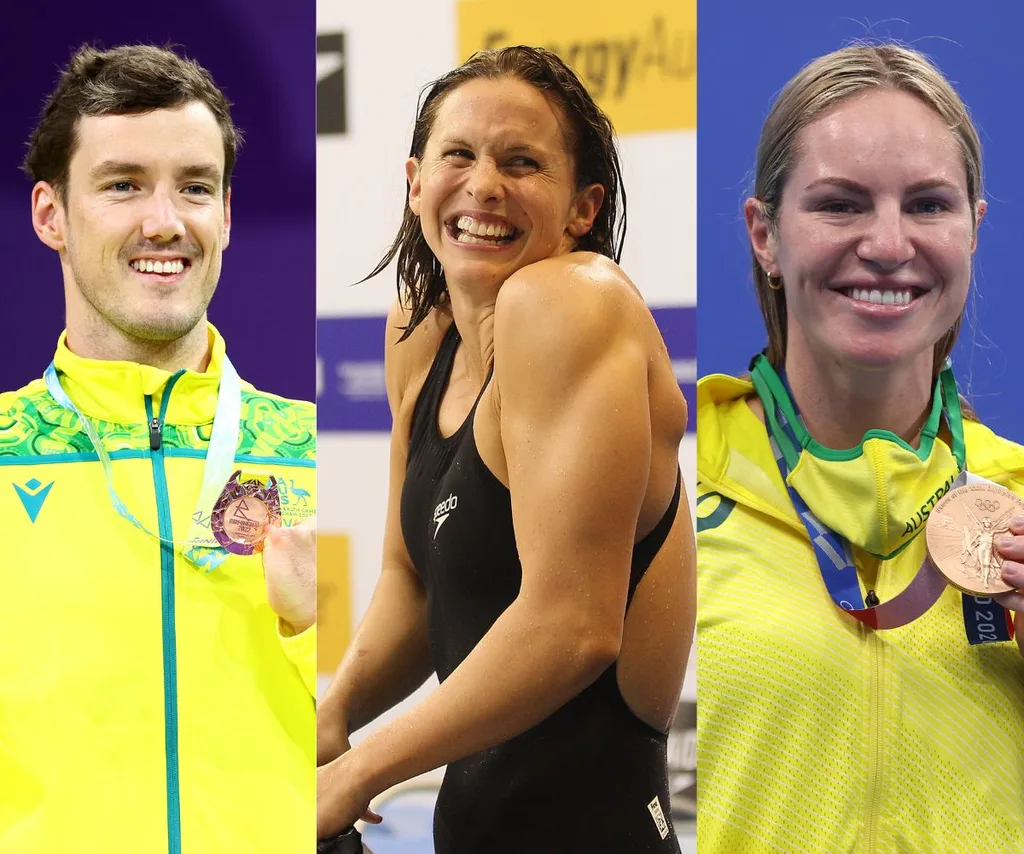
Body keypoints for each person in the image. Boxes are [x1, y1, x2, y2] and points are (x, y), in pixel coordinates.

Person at [317, 46, 695, 853]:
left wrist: (356, 772)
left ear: (582, 208)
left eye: (522, 163)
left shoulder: (570, 302)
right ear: (416, 181)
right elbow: (413, 584)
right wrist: (336, 708)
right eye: (459, 154)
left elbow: (574, 626)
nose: (484, 185)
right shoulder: (418, 333)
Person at [696, 43, 1024, 853]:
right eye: (840, 205)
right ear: (764, 235)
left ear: (973, 230)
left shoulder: (1017, 493)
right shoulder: (669, 482)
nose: (887, 243)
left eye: (928, 205)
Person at [0, 44, 317, 852]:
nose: (166, 222)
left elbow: (396, 738)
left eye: (195, 188)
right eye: (123, 185)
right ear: (50, 215)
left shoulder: (317, 457)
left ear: (228, 216)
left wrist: (317, 627)